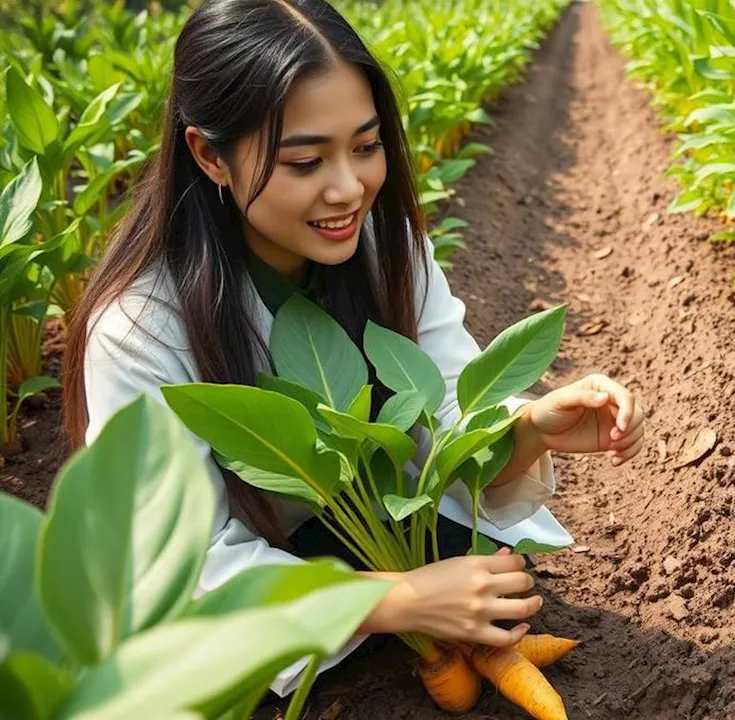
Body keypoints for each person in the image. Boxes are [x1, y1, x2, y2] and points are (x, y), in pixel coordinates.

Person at [60, 0, 645, 695]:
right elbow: (172, 570)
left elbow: (450, 419)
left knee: (493, 575)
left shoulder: (388, 248)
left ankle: (456, 648)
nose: (350, 188)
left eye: (366, 147)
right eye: (306, 160)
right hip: (253, 595)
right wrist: (394, 600)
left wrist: (529, 428)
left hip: (355, 539)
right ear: (209, 155)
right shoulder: (140, 331)